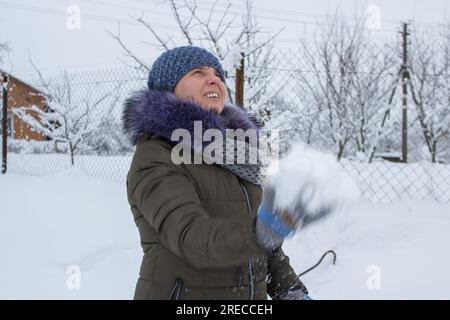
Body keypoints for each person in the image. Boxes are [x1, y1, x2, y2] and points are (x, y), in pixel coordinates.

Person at [122, 46, 310, 300]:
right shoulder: (156, 155)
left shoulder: (238, 155)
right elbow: (193, 239)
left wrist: (290, 290)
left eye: (218, 74)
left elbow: (264, 248)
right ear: (168, 90)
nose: (214, 79)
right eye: (198, 72)